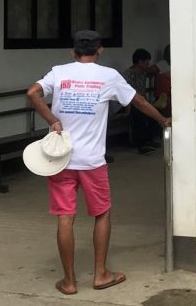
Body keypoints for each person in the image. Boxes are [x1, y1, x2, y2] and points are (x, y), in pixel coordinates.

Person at [27, 30, 171, 295]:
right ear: (100, 50)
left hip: (61, 160)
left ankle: (69, 282)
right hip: (92, 162)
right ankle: (101, 275)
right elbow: (138, 101)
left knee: (65, 217)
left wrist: (53, 121)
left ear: (73, 52)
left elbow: (33, 92)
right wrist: (162, 120)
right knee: (102, 213)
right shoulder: (109, 77)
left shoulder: (59, 72)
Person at [122, 48, 161, 154]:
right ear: (139, 62)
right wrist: (127, 111)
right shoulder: (129, 74)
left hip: (136, 102)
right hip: (125, 104)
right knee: (139, 113)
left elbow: (142, 92)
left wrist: (148, 105)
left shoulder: (142, 74)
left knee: (152, 110)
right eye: (146, 62)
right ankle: (141, 144)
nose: (148, 64)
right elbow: (126, 96)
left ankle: (149, 140)